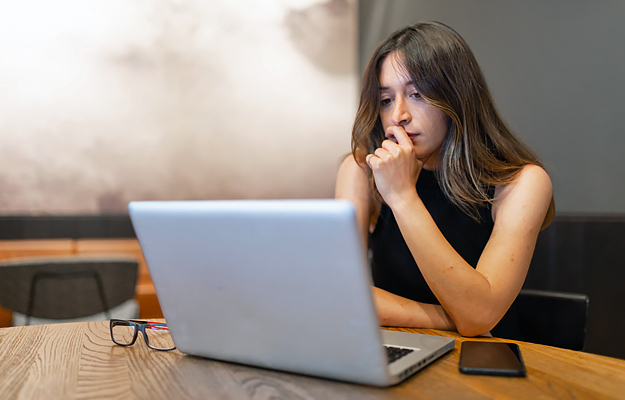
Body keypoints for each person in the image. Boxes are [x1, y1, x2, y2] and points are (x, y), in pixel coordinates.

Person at [335, 21, 554, 337]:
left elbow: (478, 316)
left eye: (417, 93)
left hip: (481, 363)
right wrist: (451, 319)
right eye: (385, 100)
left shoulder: (523, 183)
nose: (398, 115)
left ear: (457, 96)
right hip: (392, 350)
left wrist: (402, 196)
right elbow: (342, 296)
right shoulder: (359, 170)